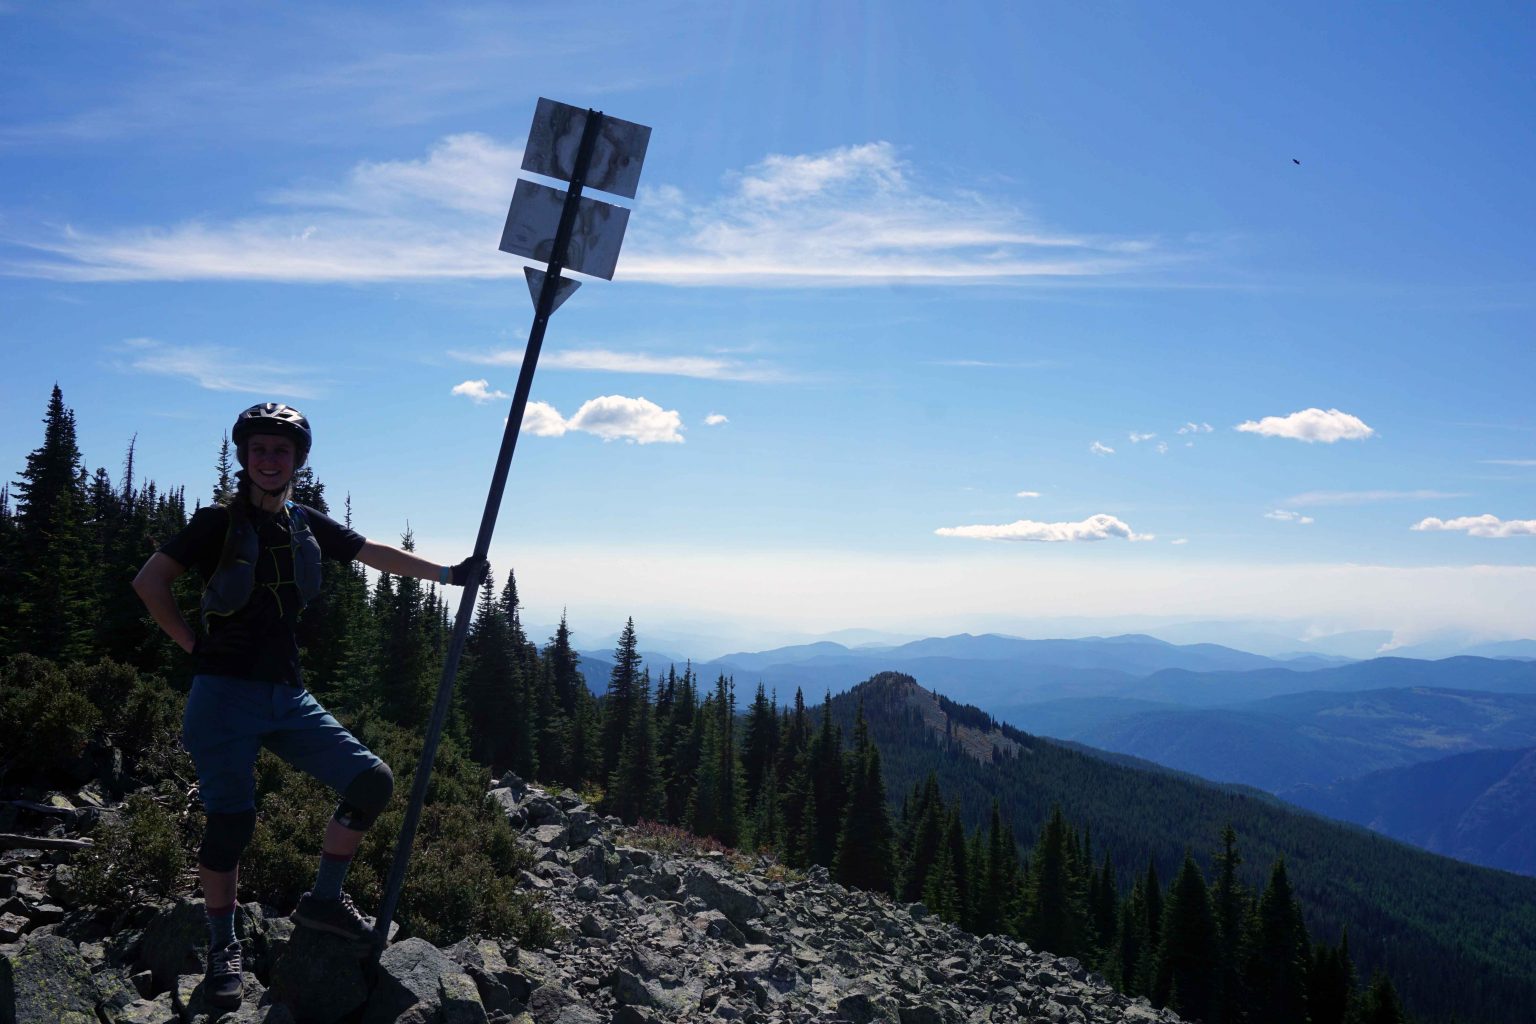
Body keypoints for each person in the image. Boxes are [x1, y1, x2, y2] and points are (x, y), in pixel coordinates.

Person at [132, 402, 482, 1011]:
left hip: (287, 695)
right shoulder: (217, 522)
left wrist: (449, 574)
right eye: (260, 450)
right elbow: (149, 581)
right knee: (231, 826)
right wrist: (193, 645)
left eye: (281, 451)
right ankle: (222, 947)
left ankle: (324, 899)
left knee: (370, 781)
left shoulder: (303, 521)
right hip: (222, 699)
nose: (270, 460)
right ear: (245, 458)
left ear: (297, 460)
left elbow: (373, 552)